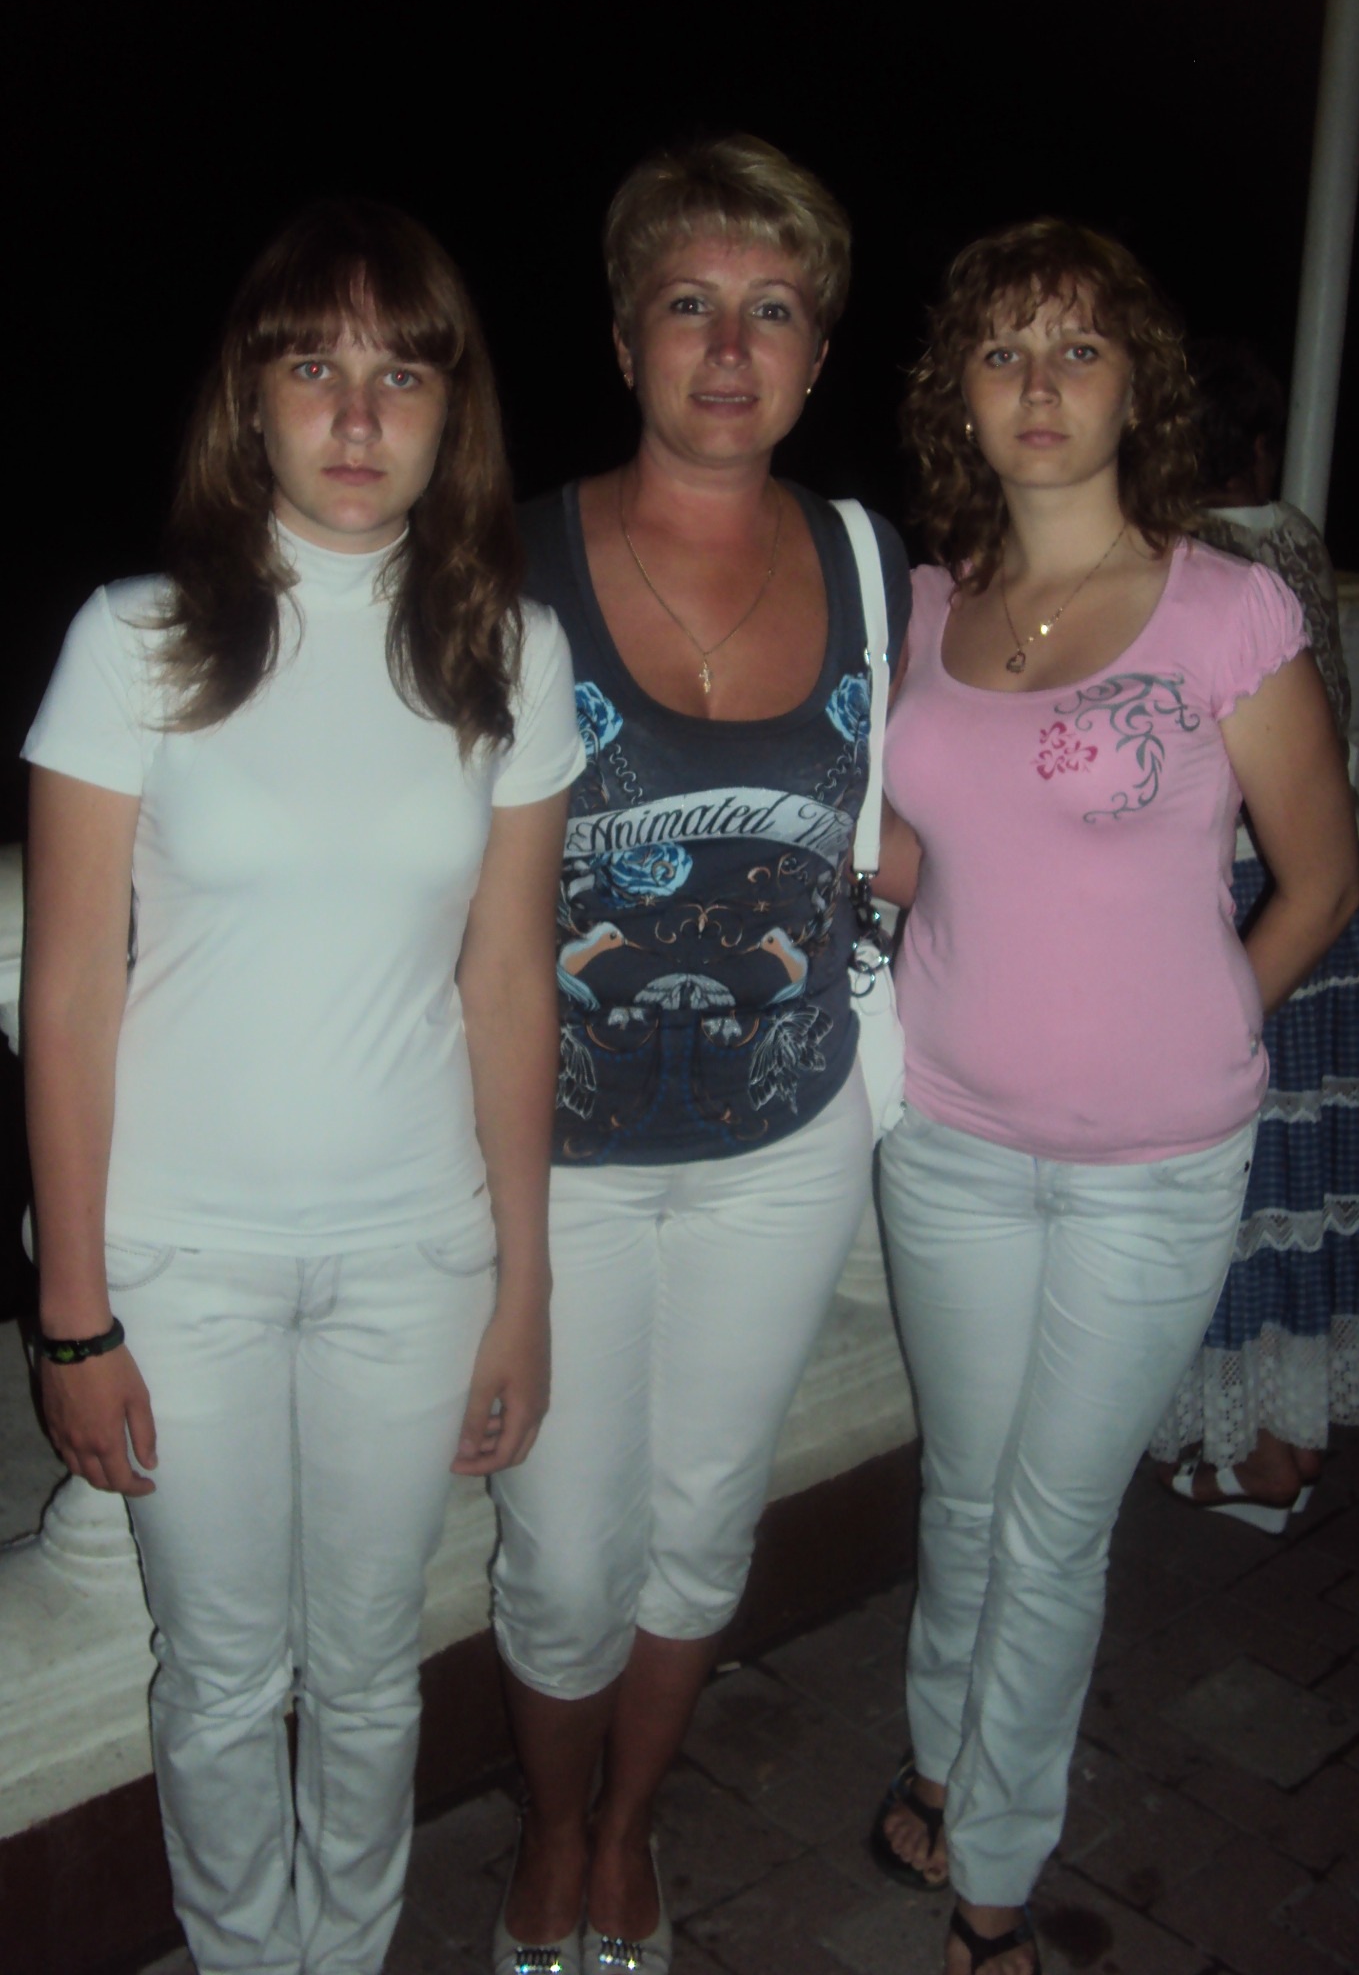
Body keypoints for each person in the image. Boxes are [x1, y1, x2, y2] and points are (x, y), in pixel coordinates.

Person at [21, 201, 583, 1975]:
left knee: (366, 1667)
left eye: (401, 373)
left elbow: (510, 982)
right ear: (247, 402)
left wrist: (523, 1283)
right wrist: (72, 1310)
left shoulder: (512, 652)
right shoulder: (136, 638)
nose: (356, 412)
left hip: (413, 1253)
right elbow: (70, 987)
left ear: (451, 411)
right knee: (217, 1673)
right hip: (181, 1256)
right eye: (314, 367)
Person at [869, 223, 1359, 1975]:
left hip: (1154, 1160)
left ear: (1132, 386)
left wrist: (1202, 1018)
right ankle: (940, 1760)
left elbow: (1320, 880)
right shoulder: (931, 602)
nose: (1040, 384)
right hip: (948, 1136)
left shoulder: (1227, 608)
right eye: (1003, 351)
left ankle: (997, 1877)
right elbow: (915, 856)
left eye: (1077, 349)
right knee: (962, 1491)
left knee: (1054, 1522)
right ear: (960, 395)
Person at [486, 134, 909, 1975]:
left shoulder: (875, 564)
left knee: (701, 1527)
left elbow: (939, 773)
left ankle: (628, 1830)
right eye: (688, 304)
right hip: (554, 1163)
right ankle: (547, 1827)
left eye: (773, 310)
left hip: (783, 1148)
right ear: (624, 340)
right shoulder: (504, 562)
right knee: (561, 1554)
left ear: (815, 356)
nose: (730, 348)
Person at [1150, 339, 1359, 1522]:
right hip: (1340, 883)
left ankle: (1266, 1452)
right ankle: (1294, 1435)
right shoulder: (1295, 534)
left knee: (1248, 1187)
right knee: (1311, 1178)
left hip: (1259, 894)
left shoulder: (1201, 564)